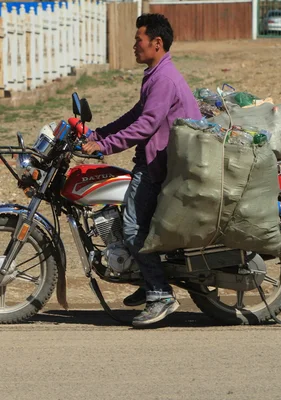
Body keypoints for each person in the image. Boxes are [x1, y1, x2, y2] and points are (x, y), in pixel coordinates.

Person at [82, 13, 202, 327]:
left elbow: (146, 125)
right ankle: (144, 280)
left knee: (134, 227)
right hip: (157, 159)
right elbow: (137, 114)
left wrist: (105, 147)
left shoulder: (163, 78)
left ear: (156, 43)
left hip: (158, 164)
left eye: (138, 41)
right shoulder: (156, 74)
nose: (134, 46)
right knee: (128, 220)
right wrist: (98, 134)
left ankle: (160, 294)